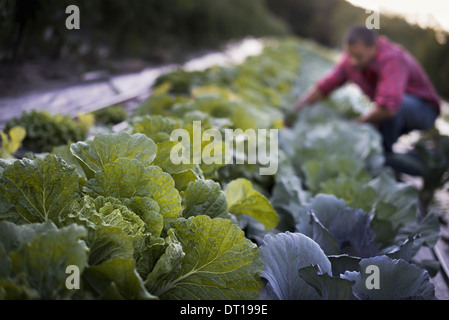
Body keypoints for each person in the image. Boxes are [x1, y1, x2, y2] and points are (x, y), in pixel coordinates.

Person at [292, 25, 441, 177]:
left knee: (392, 112)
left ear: (373, 48)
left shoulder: (392, 59)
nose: (353, 62)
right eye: (349, 55)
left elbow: (389, 108)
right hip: (394, 112)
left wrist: (356, 125)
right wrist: (295, 111)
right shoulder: (352, 60)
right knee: (379, 124)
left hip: (423, 111)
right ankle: (386, 156)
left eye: (358, 56)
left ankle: (399, 160)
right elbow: (324, 87)